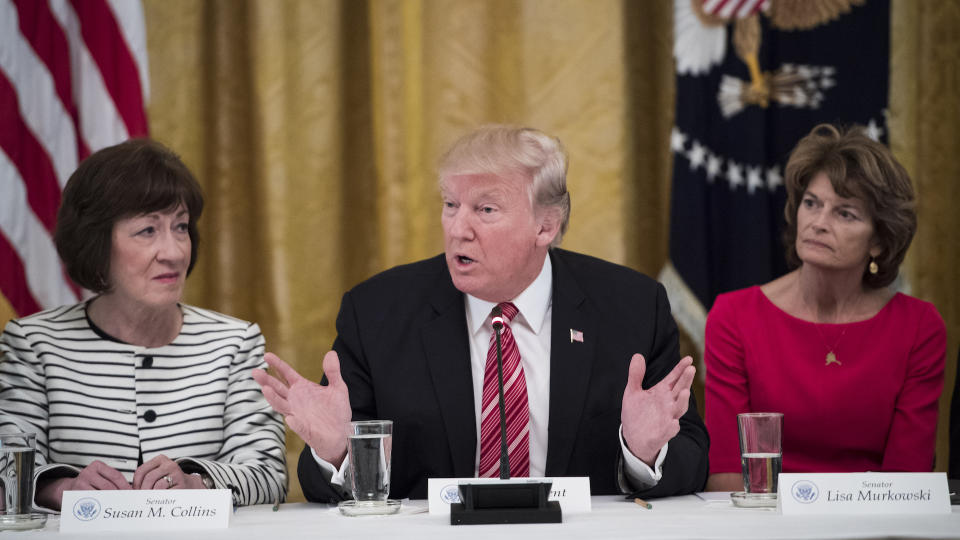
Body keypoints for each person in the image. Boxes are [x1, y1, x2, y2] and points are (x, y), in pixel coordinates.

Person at [254, 125, 708, 502]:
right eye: (450, 205)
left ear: (545, 225)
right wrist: (338, 454)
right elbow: (323, 484)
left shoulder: (630, 307)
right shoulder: (377, 312)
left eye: (484, 209)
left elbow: (692, 457)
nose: (457, 229)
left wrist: (643, 454)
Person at [0, 139, 287, 511]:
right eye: (147, 231)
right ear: (97, 243)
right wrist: (62, 488)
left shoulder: (234, 342)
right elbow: (6, 469)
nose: (173, 252)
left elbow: (269, 475)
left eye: (180, 227)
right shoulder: (34, 343)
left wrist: (198, 483)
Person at [704, 124, 946, 491]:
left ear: (880, 241)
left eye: (845, 213)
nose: (818, 223)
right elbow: (726, 476)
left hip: (874, 527)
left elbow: (906, 483)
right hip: (764, 525)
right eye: (811, 203)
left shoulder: (919, 327)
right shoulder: (734, 316)